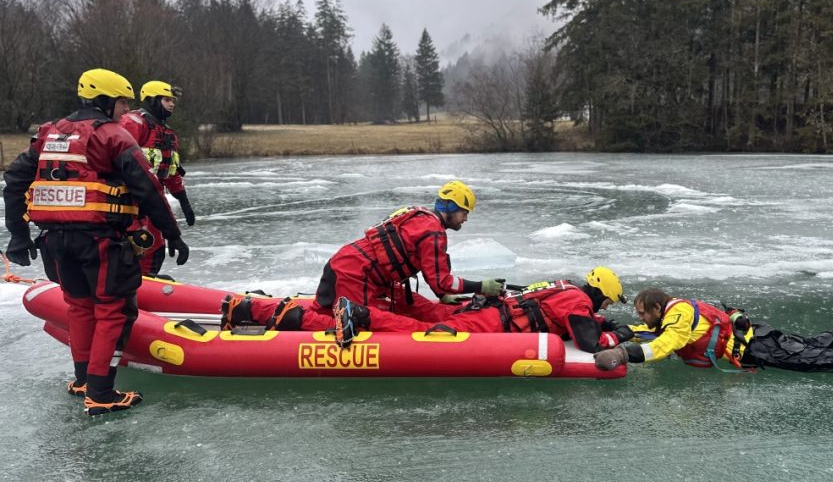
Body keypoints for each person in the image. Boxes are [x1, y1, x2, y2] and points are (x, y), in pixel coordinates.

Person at [2, 68, 190, 415]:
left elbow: (14, 179)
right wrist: (173, 234)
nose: (125, 110)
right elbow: (146, 188)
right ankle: (102, 393)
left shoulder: (49, 133)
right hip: (100, 241)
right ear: (106, 100)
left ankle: (82, 381)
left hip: (54, 242)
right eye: (121, 102)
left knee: (79, 307)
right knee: (112, 310)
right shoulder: (112, 137)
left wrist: (17, 233)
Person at [221, 180, 505, 331]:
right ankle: (262, 311)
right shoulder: (433, 232)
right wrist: (482, 287)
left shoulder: (420, 217)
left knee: (414, 308)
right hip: (357, 274)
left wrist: (444, 297)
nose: (466, 219)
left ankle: (252, 308)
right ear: (453, 207)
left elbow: (433, 278)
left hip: (354, 267)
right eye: (465, 212)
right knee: (358, 321)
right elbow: (442, 281)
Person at [230, 266, 635, 354]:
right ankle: (362, 315)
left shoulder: (564, 288)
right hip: (485, 326)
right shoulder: (578, 301)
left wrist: (599, 321)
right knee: (409, 332)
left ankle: (270, 310)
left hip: (485, 315)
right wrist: (617, 335)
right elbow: (588, 340)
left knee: (413, 321)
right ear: (598, 294)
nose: (600, 307)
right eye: (603, 303)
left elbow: (567, 317)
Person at [593, 287, 833, 378]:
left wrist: (623, 353)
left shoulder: (678, 318)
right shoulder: (677, 310)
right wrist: (619, 330)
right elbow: (651, 333)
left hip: (755, 349)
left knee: (824, 361)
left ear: (657, 307)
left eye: (642, 313)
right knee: (815, 343)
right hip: (757, 336)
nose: (640, 317)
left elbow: (666, 344)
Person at [119, 80, 194, 275]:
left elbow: (169, 169)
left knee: (156, 245)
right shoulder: (132, 123)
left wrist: (182, 198)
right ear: (152, 99)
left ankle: (144, 286)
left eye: (173, 101)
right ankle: (130, 285)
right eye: (167, 99)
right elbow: (116, 158)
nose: (172, 104)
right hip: (129, 198)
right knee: (139, 243)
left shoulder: (167, 133)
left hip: (152, 198)